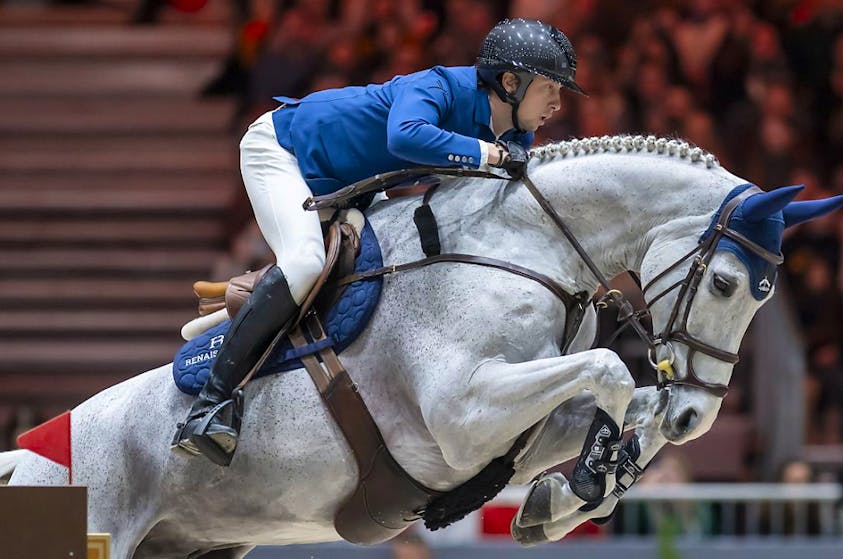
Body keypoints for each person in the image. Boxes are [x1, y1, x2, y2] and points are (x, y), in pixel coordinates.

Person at [172, 18, 585, 466]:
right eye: (550, 88)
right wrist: (490, 155)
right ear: (510, 83)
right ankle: (210, 404)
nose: (557, 103)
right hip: (286, 152)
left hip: (356, 186)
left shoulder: (514, 136)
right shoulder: (440, 86)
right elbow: (404, 135)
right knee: (306, 262)